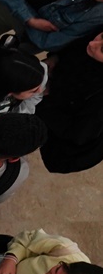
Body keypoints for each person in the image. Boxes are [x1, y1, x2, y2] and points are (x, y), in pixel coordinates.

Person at [37, 31, 103, 173]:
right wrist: (56, 57)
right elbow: (76, 46)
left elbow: (79, 134)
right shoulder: (91, 46)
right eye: (101, 36)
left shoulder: (98, 102)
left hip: (64, 137)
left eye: (102, 50)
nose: (93, 43)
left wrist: (43, 99)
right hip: (60, 98)